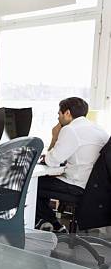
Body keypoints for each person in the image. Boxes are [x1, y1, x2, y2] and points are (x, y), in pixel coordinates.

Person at [36, 97, 109, 232]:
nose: (58, 118)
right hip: (96, 188)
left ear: (67, 113)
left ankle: (53, 225)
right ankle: (45, 222)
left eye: (59, 114)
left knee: (34, 184)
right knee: (44, 183)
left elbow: (52, 160)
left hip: (78, 186)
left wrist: (54, 136)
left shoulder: (71, 129)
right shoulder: (98, 129)